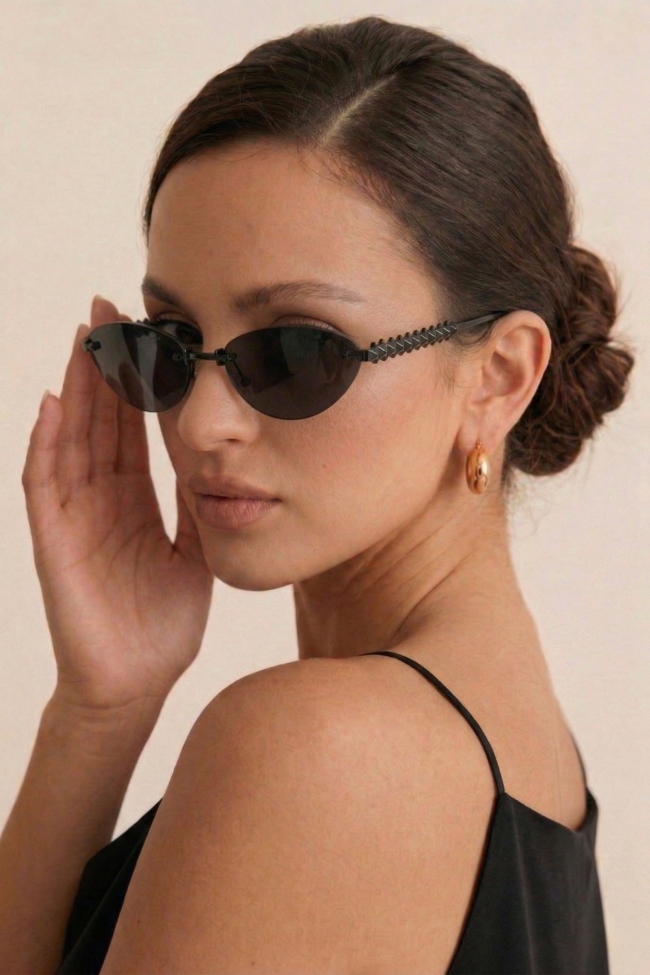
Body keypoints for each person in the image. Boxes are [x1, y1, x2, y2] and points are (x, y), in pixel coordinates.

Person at [1, 14, 634, 975]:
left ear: (498, 376)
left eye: (295, 351)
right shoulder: (521, 745)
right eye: (170, 342)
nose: (201, 421)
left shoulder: (317, 753)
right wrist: (102, 703)